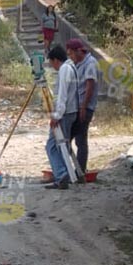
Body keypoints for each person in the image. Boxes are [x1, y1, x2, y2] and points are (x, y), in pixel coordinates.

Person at [44, 45, 79, 190]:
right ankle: (64, 174)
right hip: (69, 112)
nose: (52, 67)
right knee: (58, 146)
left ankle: (62, 174)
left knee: (53, 146)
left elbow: (62, 95)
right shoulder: (71, 67)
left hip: (65, 114)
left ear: (56, 60)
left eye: (51, 63)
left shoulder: (65, 69)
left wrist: (56, 116)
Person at [66, 38, 99, 173]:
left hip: (84, 108)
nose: (71, 57)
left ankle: (79, 170)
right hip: (77, 107)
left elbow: (89, 86)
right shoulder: (77, 64)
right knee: (69, 138)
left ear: (79, 51)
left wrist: (83, 107)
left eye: (72, 54)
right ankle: (76, 169)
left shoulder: (90, 63)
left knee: (79, 140)